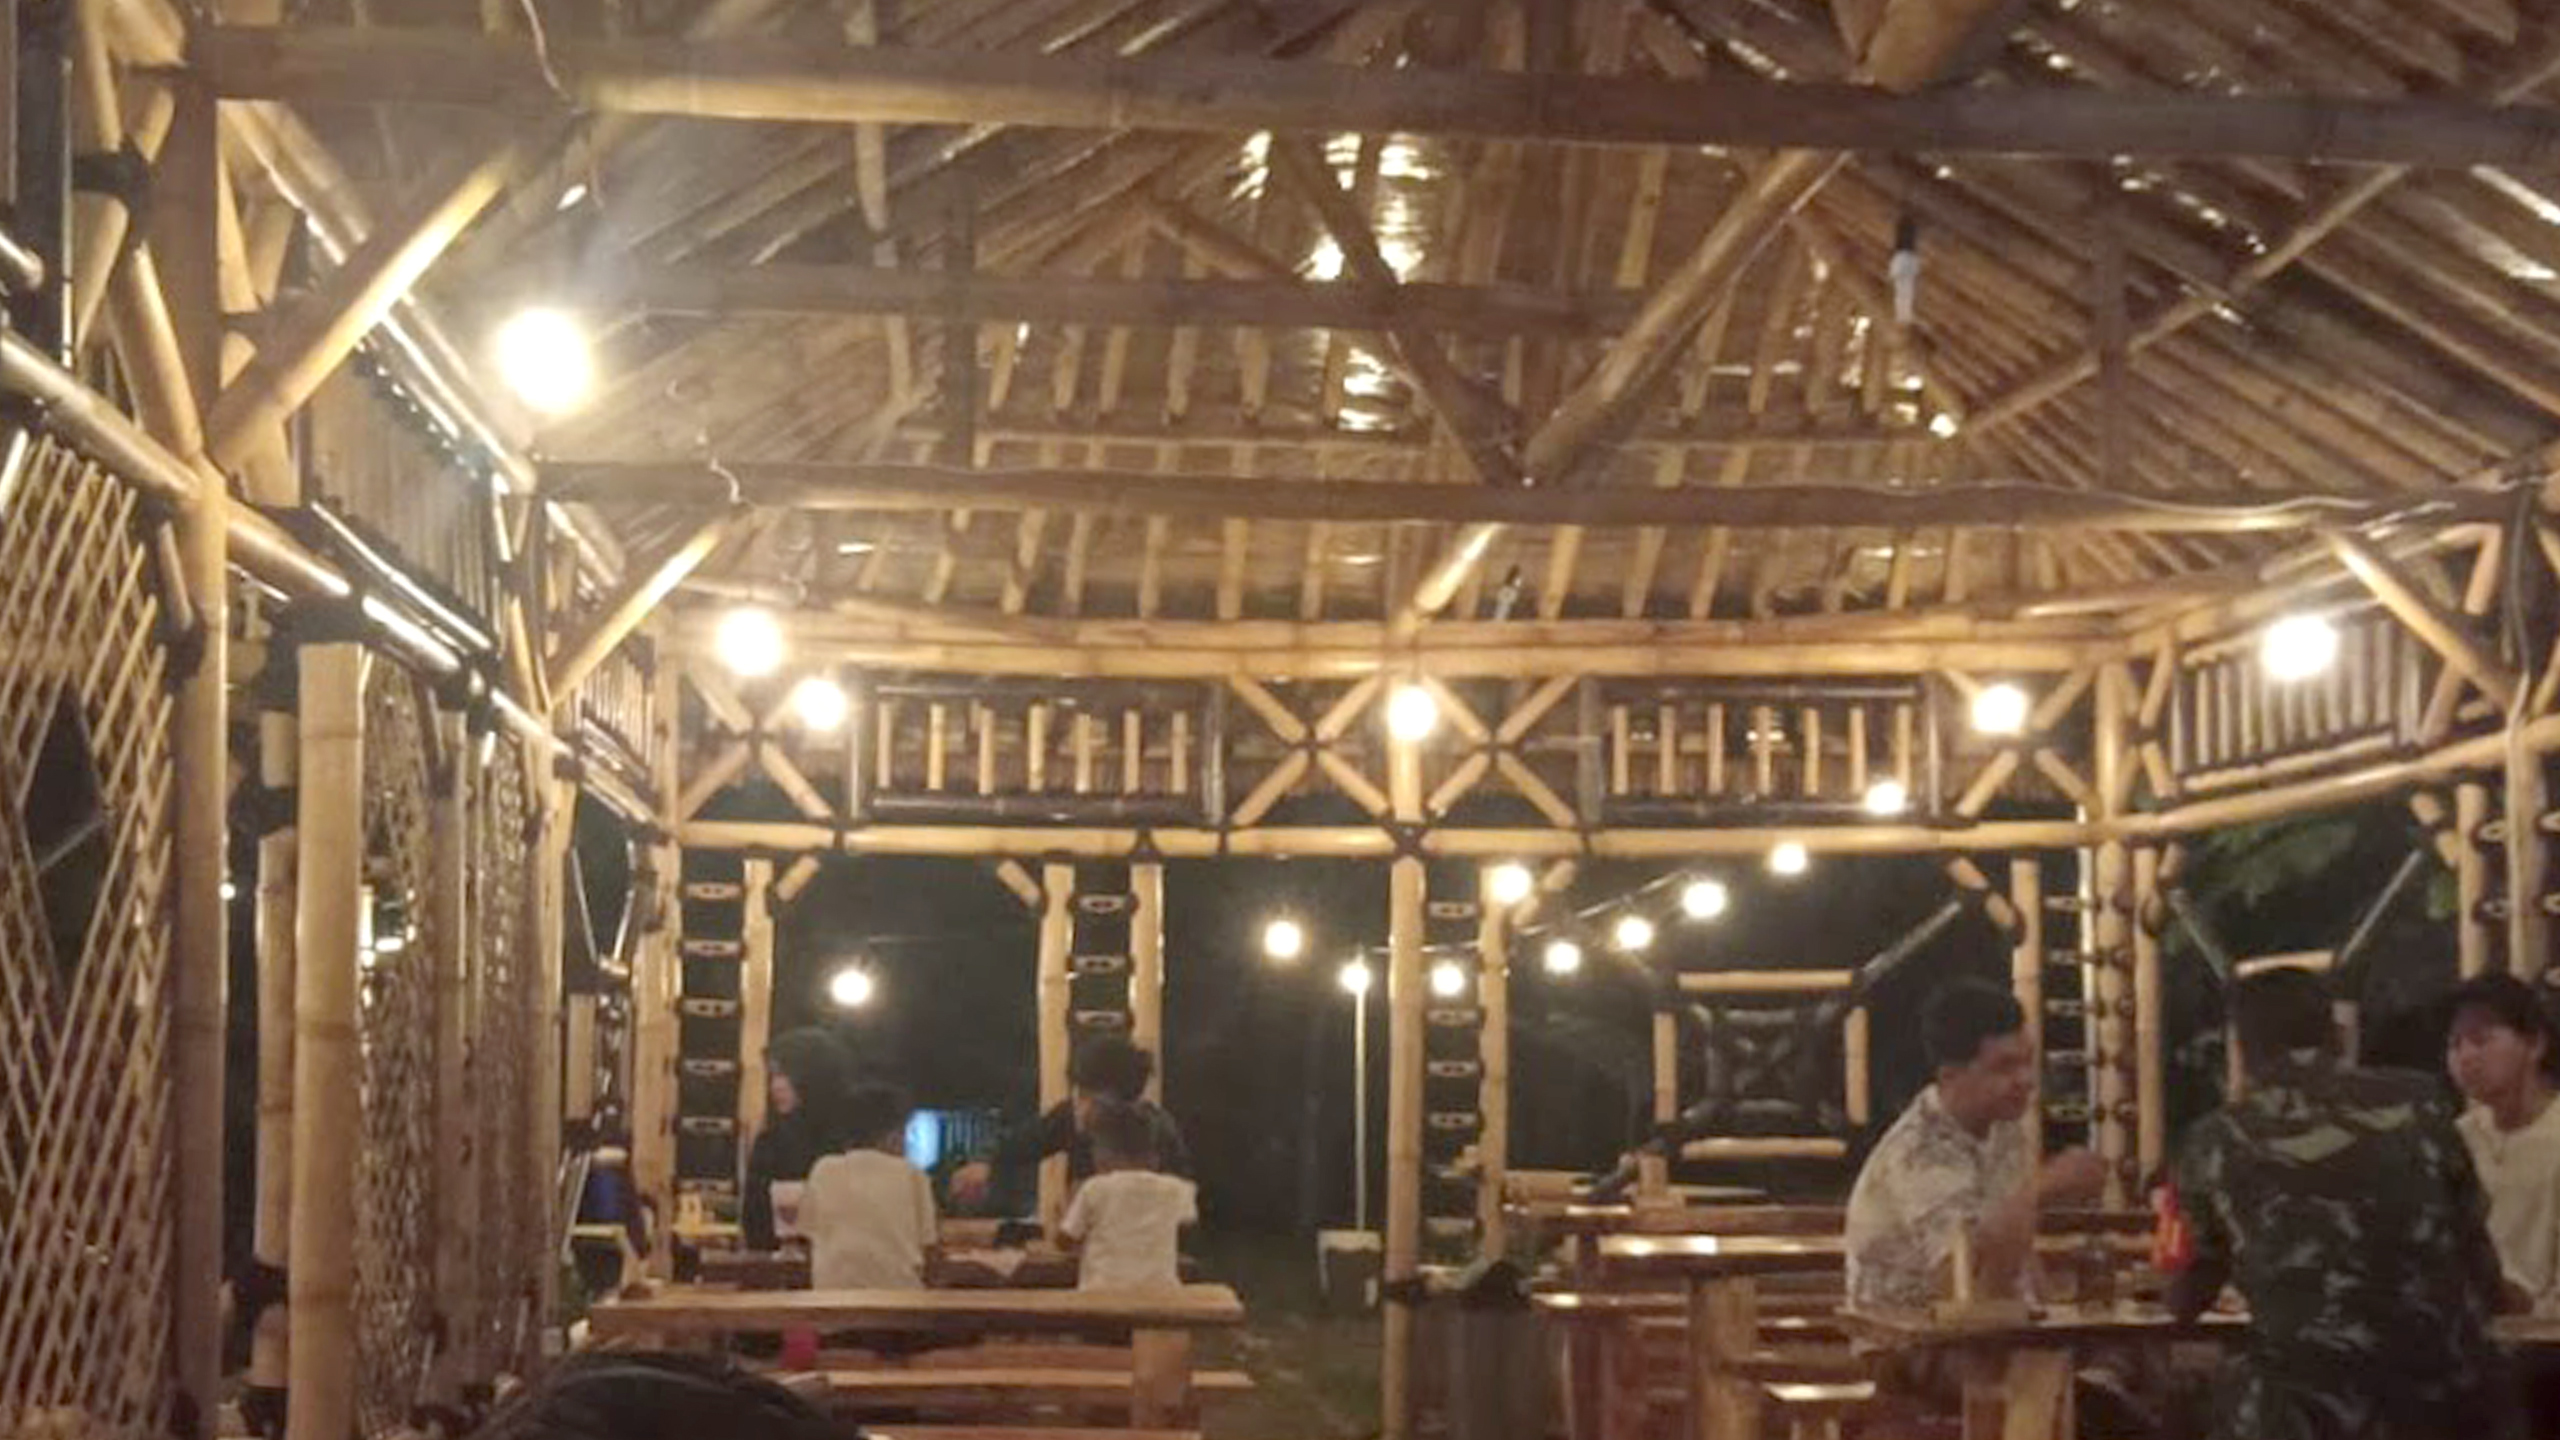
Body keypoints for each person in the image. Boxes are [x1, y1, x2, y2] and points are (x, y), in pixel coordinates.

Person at [2169, 967, 2514, 1440]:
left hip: (2304, 1409)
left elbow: (2192, 1292)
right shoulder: (2420, 1100)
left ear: (2243, 1050)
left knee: (2208, 1396)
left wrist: (2170, 1295)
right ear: (2335, 1034)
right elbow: (2472, 1244)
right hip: (2443, 1400)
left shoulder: (2217, 1140)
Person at [1845, 979, 2108, 1312]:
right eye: (2005, 1066)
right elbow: (1964, 1285)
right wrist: (2041, 1189)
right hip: (1913, 1333)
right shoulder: (1920, 1152)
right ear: (1950, 1076)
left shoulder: (2003, 1127)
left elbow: (2018, 1254)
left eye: (2028, 1062)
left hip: (1989, 1325)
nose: (2026, 1080)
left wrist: (2050, 1310)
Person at [949, 1037, 1189, 1207]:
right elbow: (1015, 1142)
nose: (1079, 1105)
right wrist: (982, 1162)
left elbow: (1181, 1202)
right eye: (1079, 1094)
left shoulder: (1158, 1129)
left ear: (1124, 1102)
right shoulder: (1068, 1117)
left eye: (1088, 1096)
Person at [2448, 972, 2560, 1315]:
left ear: (2535, 1044)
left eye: (2481, 1040)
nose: (2465, 1056)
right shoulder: (2457, 1137)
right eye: (2454, 1044)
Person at [797, 1083, 939, 1290]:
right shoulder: (912, 1174)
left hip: (832, 1300)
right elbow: (929, 1249)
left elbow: (808, 1239)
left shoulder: (823, 1169)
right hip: (900, 1300)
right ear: (893, 1133)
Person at [1057, 1100, 1197, 1290]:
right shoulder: (1177, 1189)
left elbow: (1065, 1240)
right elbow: (1186, 1226)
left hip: (1101, 1294)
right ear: (1155, 1157)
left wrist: (1066, 1218)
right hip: (1161, 1295)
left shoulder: (1094, 1188)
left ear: (1103, 1154)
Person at [742, 1029, 858, 1251]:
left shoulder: (855, 1142)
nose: (776, 1085)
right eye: (773, 1076)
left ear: (816, 1078)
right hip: (784, 1264)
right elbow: (756, 1225)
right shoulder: (771, 1142)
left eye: (786, 1075)